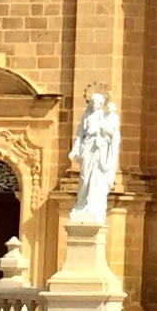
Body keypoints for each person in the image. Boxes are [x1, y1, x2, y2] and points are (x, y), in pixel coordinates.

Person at [69, 92, 120, 224]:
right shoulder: (86, 116)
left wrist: (105, 130)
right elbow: (80, 135)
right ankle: (81, 204)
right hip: (87, 148)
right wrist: (75, 149)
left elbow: (112, 131)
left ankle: (92, 204)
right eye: (93, 102)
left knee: (96, 178)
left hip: (99, 150)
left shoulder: (105, 116)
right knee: (84, 177)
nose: (95, 104)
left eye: (97, 102)